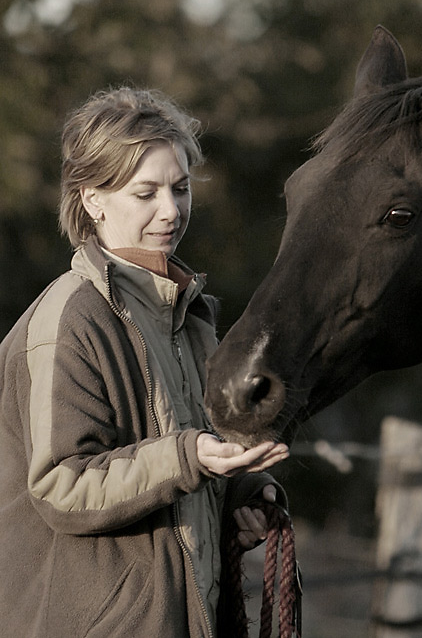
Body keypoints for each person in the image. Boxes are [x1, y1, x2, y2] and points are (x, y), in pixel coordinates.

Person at [0, 87, 289, 637]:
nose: (171, 210)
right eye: (146, 192)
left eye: (180, 189)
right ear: (92, 199)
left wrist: (245, 496)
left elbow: (181, 467)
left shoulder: (192, 314)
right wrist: (191, 456)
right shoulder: (70, 319)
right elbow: (62, 487)